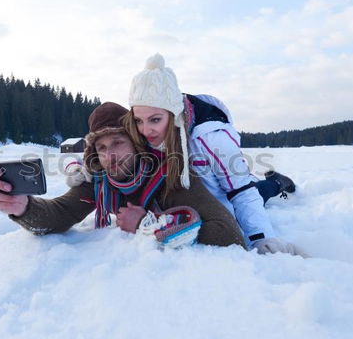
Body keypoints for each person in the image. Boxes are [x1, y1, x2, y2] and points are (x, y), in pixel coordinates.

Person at [0, 102, 245, 248]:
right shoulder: (97, 181)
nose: (110, 155)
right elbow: (59, 214)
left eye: (118, 142)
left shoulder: (170, 175)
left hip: (220, 187)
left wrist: (150, 225)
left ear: (135, 142)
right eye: (101, 147)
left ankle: (271, 184)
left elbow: (229, 233)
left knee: (259, 189)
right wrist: (23, 207)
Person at [121, 53, 304, 256]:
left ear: (173, 114)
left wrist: (261, 238)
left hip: (225, 199)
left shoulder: (212, 138)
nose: (146, 130)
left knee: (259, 191)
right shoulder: (145, 135)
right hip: (196, 199)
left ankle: (277, 183)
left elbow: (241, 191)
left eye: (155, 120)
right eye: (139, 120)